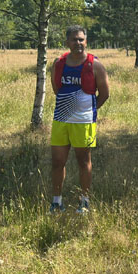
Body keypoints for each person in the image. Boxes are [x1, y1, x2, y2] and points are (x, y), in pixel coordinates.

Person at [50, 25, 110, 213]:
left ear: (86, 41)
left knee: (83, 161)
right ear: (67, 42)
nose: (78, 43)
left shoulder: (95, 65)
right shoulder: (58, 64)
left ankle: (84, 201)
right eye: (74, 39)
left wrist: (88, 111)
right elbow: (56, 89)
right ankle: (56, 201)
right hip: (61, 119)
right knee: (57, 162)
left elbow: (105, 94)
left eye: (81, 39)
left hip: (84, 122)